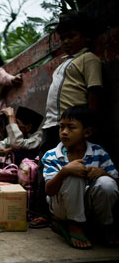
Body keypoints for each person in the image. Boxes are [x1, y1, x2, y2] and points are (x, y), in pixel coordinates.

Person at [33, 12, 103, 229]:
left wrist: (90, 122)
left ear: (85, 37)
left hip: (74, 125)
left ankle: (74, 215)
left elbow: (94, 91)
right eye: (63, 38)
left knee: (71, 169)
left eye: (71, 36)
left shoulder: (88, 59)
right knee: (47, 165)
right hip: (53, 123)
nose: (66, 42)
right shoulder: (63, 62)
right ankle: (46, 211)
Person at [42, 105, 118, 249]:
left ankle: (105, 225)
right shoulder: (52, 155)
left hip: (89, 208)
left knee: (106, 183)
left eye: (71, 127)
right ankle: (74, 224)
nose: (64, 132)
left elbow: (116, 184)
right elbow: (49, 190)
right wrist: (64, 171)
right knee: (72, 174)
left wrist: (103, 173)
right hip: (62, 208)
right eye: (61, 127)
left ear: (87, 132)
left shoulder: (99, 152)